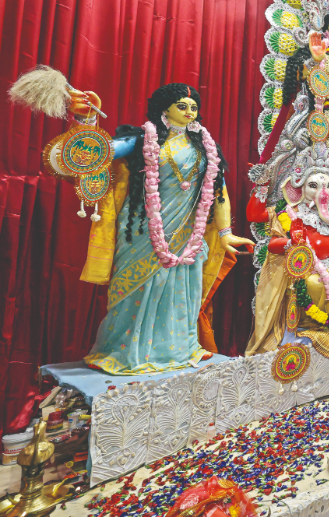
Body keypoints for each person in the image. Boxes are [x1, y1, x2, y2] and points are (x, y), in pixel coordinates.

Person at [58, 84, 253, 374]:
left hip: (189, 235)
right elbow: (97, 153)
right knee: (137, 292)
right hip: (142, 233)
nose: (189, 112)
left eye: (193, 107)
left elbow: (218, 190)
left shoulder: (205, 147)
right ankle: (124, 353)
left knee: (181, 292)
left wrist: (225, 234)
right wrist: (86, 121)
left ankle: (177, 351)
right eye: (182, 105)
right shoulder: (142, 139)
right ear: (164, 109)